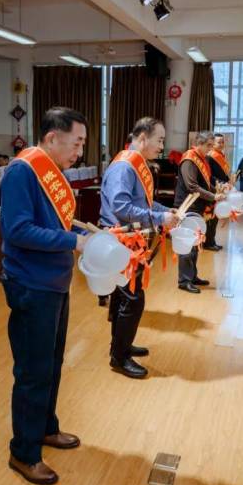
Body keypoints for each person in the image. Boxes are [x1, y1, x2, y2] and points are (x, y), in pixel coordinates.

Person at [0, 107, 89, 485]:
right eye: (76, 143)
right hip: (31, 286)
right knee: (32, 371)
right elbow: (18, 230)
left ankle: (46, 428)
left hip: (54, 284)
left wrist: (83, 234)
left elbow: (55, 224)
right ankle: (24, 452)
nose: (80, 152)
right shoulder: (22, 171)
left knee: (51, 364)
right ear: (52, 138)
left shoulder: (52, 173)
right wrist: (73, 241)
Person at [100, 117, 178, 379]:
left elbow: (144, 203)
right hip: (120, 240)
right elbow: (122, 208)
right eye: (160, 140)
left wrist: (166, 212)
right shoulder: (125, 167)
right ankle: (119, 357)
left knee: (124, 296)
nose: (162, 147)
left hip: (130, 239)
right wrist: (159, 218)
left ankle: (120, 346)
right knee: (132, 298)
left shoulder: (135, 164)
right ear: (143, 138)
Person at [174, 131, 225, 294]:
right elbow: (192, 187)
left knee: (196, 243)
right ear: (199, 144)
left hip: (197, 207)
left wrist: (216, 190)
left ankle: (192, 276)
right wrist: (213, 196)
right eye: (209, 145)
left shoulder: (201, 159)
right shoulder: (189, 159)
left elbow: (205, 183)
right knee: (187, 245)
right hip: (187, 206)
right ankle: (184, 280)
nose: (211, 149)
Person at [205, 133, 231, 251]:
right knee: (211, 216)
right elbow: (209, 176)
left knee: (216, 217)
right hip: (214, 189)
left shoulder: (221, 155)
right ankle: (208, 243)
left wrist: (228, 181)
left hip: (221, 188)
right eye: (218, 142)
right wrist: (222, 183)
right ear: (213, 143)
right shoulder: (210, 156)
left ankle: (212, 241)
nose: (221, 144)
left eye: (222, 142)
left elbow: (223, 174)